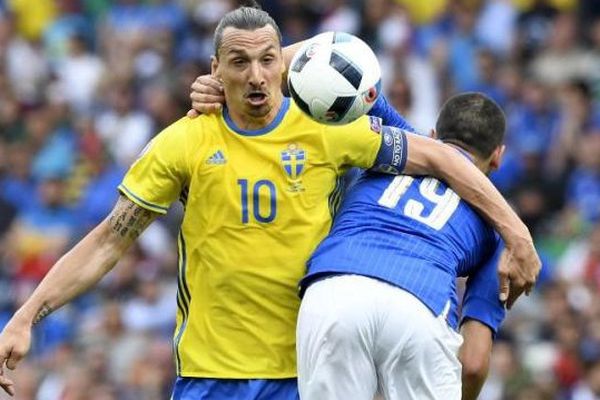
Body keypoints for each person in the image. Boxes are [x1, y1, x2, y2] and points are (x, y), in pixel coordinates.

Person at [0, 4, 538, 400]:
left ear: (281, 66)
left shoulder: (330, 126)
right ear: (216, 68)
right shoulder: (183, 142)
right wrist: (28, 314)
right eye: (239, 63)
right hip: (210, 372)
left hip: (302, 369)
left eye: (266, 61)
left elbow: (441, 159)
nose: (256, 76)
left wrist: (517, 234)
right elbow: (107, 241)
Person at [297, 93, 511, 400]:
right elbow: (474, 364)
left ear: (434, 136)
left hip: (335, 286)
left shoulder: (402, 140)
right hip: (421, 304)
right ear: (498, 156)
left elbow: (358, 82)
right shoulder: (501, 229)